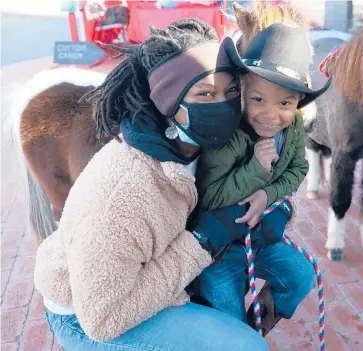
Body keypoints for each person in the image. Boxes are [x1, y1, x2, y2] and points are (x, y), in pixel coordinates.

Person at [33, 19, 269, 350]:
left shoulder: (201, 146)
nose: (224, 105)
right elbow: (103, 319)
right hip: (85, 318)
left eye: (231, 91)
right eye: (205, 94)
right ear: (169, 106)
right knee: (246, 347)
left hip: (149, 276)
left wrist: (271, 198)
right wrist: (201, 242)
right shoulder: (124, 194)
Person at [189, 23, 331, 336]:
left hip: (260, 237)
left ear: (297, 103)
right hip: (220, 248)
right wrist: (256, 167)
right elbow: (208, 194)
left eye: (285, 103)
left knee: (300, 275)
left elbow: (297, 170)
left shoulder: (291, 127)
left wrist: (267, 195)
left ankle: (259, 326)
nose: (271, 115)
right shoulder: (229, 135)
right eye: (258, 99)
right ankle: (235, 335)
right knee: (227, 315)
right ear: (241, 92)